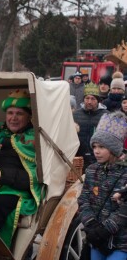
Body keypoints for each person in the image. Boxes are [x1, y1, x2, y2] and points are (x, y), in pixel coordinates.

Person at [0, 89, 42, 248]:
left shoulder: (34, 139)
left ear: (29, 116)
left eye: (19, 113)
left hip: (16, 191)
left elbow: (35, 177)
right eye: (10, 113)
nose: (13, 118)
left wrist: (3, 175)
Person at [77, 111, 127, 259]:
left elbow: (124, 208)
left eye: (102, 147)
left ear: (114, 149)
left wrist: (106, 228)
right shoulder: (92, 170)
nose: (96, 151)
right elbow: (83, 199)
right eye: (94, 146)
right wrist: (91, 223)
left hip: (122, 241)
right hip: (97, 239)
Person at [73, 82, 109, 170]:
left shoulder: (106, 115)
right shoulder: (75, 114)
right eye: (87, 98)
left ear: (98, 100)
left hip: (98, 158)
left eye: (93, 99)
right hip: (80, 158)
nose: (89, 101)